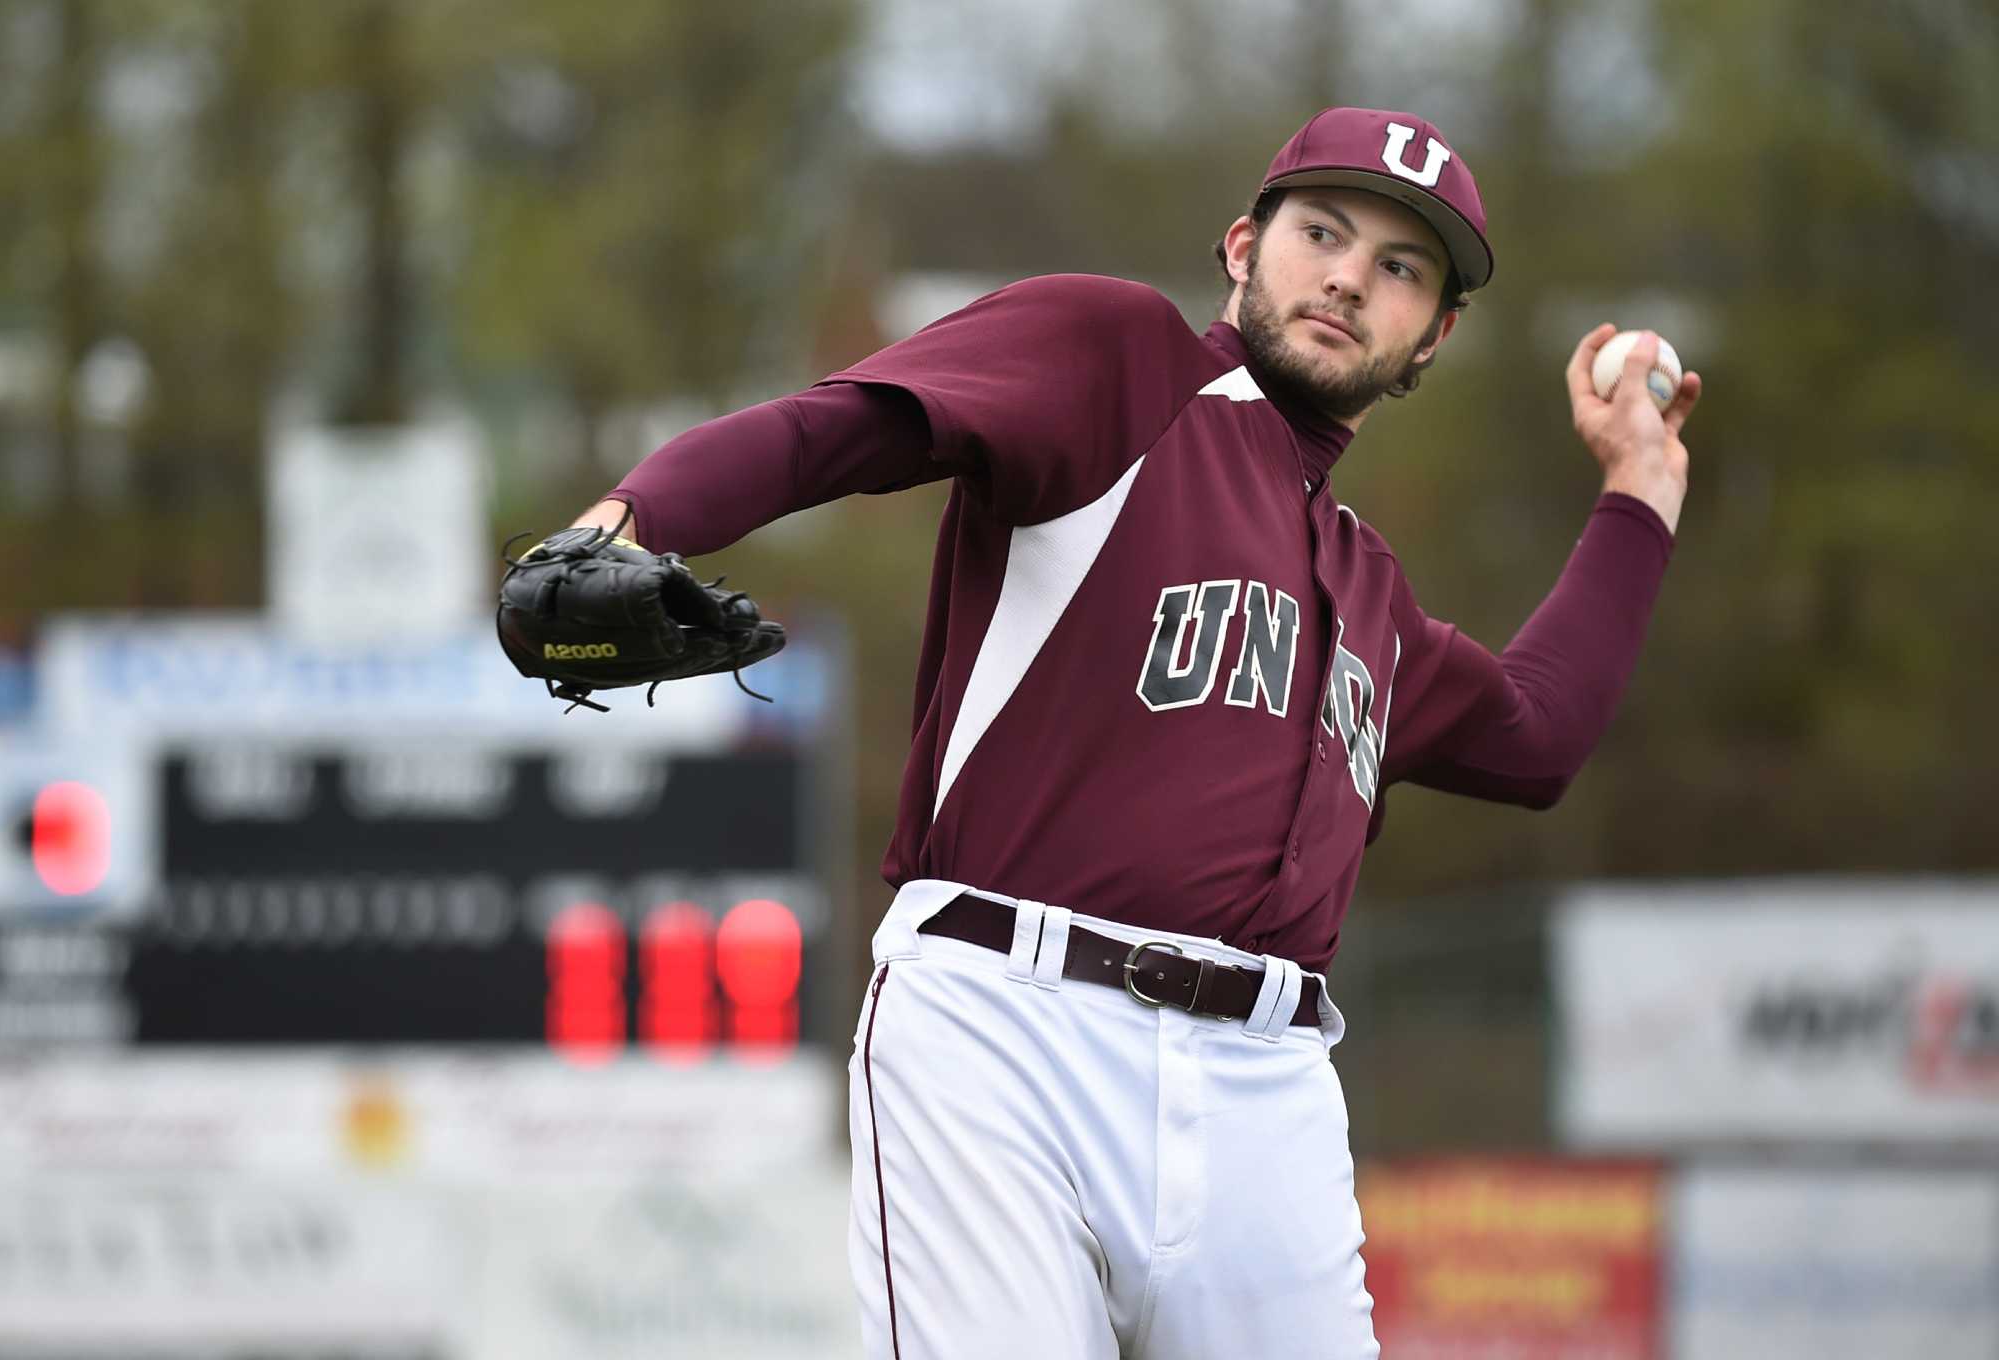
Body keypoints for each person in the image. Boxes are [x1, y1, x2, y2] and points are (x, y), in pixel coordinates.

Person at [567, 106, 1700, 1358]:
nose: (1345, 276)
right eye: (1320, 231)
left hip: (1267, 1090)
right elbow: (840, 425)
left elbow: (1534, 737)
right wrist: (628, 522)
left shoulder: (1366, 593)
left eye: (1398, 267)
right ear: (1238, 246)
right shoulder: (1118, 366)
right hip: (1006, 1032)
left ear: (1429, 338)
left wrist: (1638, 488)